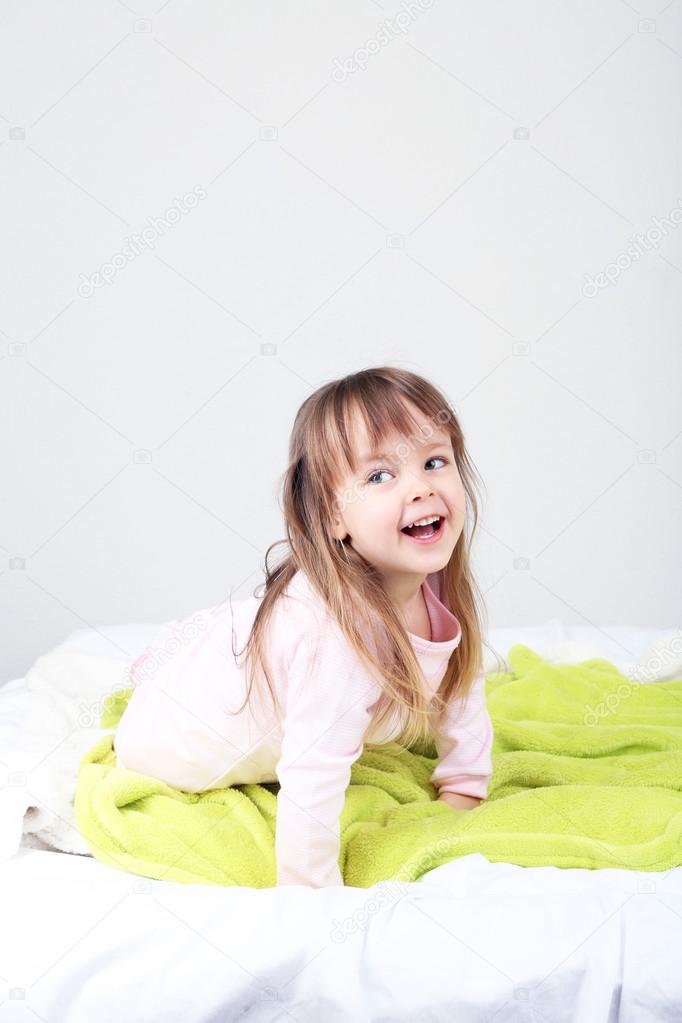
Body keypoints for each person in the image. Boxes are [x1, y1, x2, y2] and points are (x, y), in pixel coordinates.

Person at [114, 366, 500, 888]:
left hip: (255, 644)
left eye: (435, 462)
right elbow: (312, 779)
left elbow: (462, 685)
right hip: (169, 737)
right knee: (236, 655)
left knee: (250, 632)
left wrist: (465, 786)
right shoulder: (336, 643)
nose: (421, 487)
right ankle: (157, 670)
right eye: (379, 476)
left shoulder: (429, 579)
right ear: (333, 518)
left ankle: (169, 657)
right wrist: (313, 898)